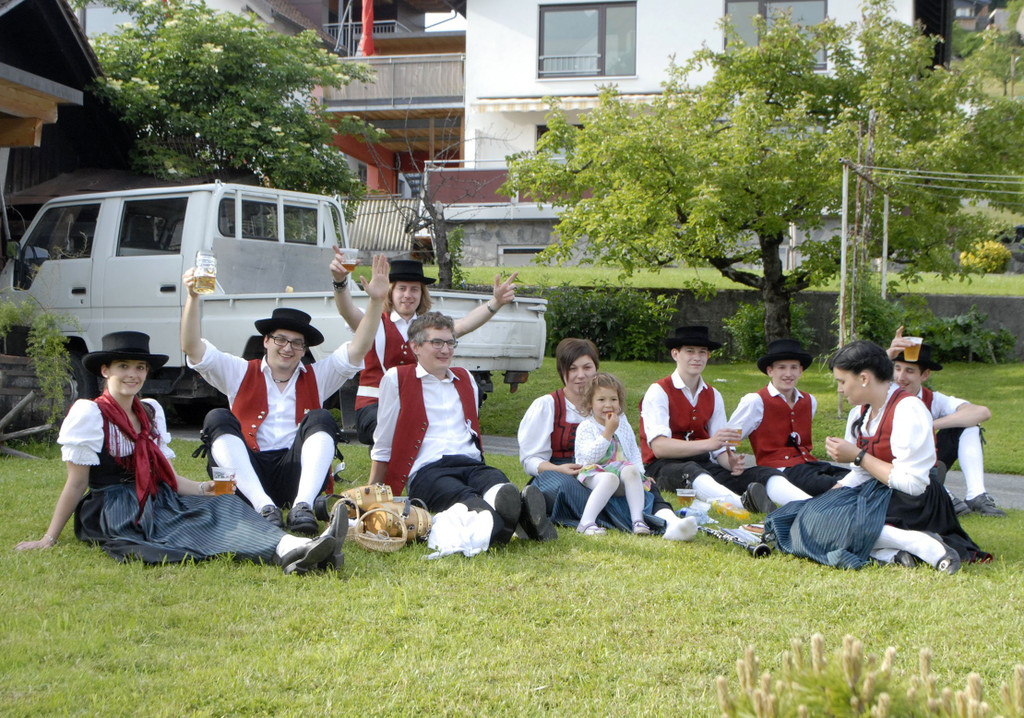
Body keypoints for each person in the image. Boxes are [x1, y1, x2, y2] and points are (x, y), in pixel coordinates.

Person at [14, 332, 345, 574]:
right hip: (118, 508)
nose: (132, 375)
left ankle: (298, 547)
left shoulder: (150, 411)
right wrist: (49, 538)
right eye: (123, 366)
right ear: (105, 371)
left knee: (227, 503)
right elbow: (76, 484)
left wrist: (209, 488)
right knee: (184, 529)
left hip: (157, 496)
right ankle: (290, 551)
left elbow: (167, 478)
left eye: (140, 368)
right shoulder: (89, 414)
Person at [181, 254, 390, 534]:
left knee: (321, 418)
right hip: (247, 477)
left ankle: (302, 506)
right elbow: (192, 348)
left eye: (297, 343)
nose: (288, 348)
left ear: (304, 350)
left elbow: (359, 347)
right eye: (280, 339)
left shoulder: (318, 376)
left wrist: (376, 301)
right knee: (217, 417)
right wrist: (193, 297)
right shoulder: (239, 371)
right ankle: (263, 507)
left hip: (297, 476)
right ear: (266, 341)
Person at [764, 340, 990, 573]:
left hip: (915, 504)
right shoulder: (859, 413)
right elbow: (860, 475)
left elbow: (913, 484)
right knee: (807, 514)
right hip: (880, 493)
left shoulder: (908, 409)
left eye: (842, 381)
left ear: (864, 378)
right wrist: (830, 496)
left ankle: (918, 543)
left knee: (824, 522)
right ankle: (891, 554)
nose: (840, 389)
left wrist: (859, 456)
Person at [368, 312, 557, 547]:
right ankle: (519, 517)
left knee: (498, 483)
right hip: (429, 470)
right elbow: (383, 442)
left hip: (471, 464)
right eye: (437, 342)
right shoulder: (397, 378)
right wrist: (372, 492)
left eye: (450, 343)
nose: (445, 350)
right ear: (415, 346)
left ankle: (508, 513)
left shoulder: (465, 377)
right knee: (466, 498)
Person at [330, 249, 518, 445]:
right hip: (374, 405)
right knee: (398, 430)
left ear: (422, 294)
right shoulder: (373, 321)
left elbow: (463, 325)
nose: (408, 295)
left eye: (414, 289)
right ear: (391, 291)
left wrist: (495, 302)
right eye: (402, 288)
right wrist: (340, 282)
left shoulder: (429, 327)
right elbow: (347, 311)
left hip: (418, 403)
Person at [517, 338, 696, 540]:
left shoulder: (612, 408)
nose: (580, 375)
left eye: (587, 367)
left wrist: (639, 473)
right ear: (562, 371)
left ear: (596, 369)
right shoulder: (546, 405)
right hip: (560, 472)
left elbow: (628, 448)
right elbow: (530, 460)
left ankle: (671, 522)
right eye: (572, 368)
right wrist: (558, 469)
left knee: (642, 482)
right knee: (569, 488)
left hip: (607, 469)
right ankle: (641, 522)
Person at [639, 325, 774, 514]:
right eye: (690, 351)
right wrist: (709, 444)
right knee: (693, 471)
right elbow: (660, 448)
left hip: (703, 463)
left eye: (702, 352)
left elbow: (719, 448)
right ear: (675, 354)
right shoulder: (658, 391)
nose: (697, 357)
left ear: (708, 356)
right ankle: (742, 503)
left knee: (763, 473)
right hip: (662, 466)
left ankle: (799, 502)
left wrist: (730, 462)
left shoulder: (713, 394)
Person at [887, 328, 1004, 517]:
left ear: (925, 375)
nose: (900, 377)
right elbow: (863, 375)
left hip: (927, 459)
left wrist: (930, 425)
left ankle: (976, 494)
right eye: (897, 368)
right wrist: (888, 354)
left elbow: (981, 412)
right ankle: (941, 493)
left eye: (909, 371)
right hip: (893, 462)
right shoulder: (884, 392)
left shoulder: (932, 398)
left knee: (969, 425)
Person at [726, 339, 848, 507]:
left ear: (801, 371)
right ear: (770, 371)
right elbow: (728, 437)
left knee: (851, 478)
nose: (788, 374)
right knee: (832, 486)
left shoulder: (809, 401)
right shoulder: (755, 401)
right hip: (781, 470)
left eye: (794, 367)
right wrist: (730, 458)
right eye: (781, 368)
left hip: (809, 464)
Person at [574, 373, 652, 536]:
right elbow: (590, 458)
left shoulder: (622, 424)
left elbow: (633, 451)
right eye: (601, 400)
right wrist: (608, 431)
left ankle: (638, 521)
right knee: (610, 478)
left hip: (620, 473)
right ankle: (586, 522)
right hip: (593, 473)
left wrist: (641, 473)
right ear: (590, 403)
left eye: (613, 399)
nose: (608, 405)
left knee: (631, 470)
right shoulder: (586, 426)